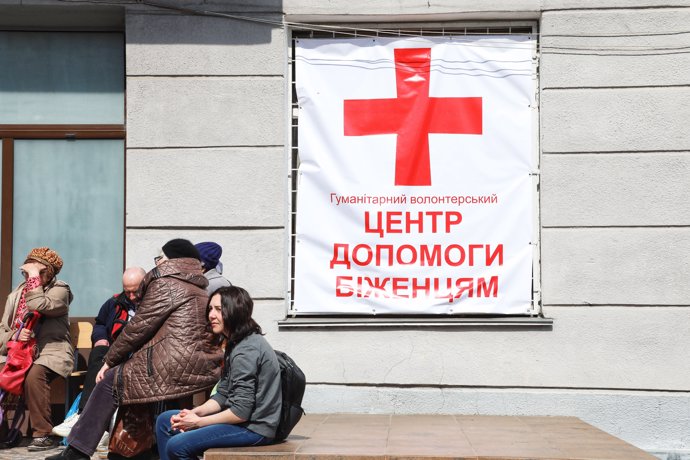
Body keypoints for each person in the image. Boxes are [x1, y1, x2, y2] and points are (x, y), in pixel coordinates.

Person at [46, 239, 223, 460]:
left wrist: (109, 361)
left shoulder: (167, 283)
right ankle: (134, 450)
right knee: (130, 379)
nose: (157, 263)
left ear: (171, 260)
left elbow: (139, 327)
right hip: (195, 363)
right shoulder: (196, 284)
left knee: (111, 381)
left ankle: (78, 451)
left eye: (161, 258)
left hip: (174, 363)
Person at [155, 286, 281, 460]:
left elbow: (240, 412)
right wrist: (196, 413)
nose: (211, 315)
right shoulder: (236, 342)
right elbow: (223, 393)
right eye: (211, 309)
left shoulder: (246, 350)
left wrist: (198, 422)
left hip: (254, 428)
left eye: (219, 310)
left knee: (177, 445)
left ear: (235, 312)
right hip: (243, 421)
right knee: (165, 420)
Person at [51, 267, 146, 438]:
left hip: (139, 354)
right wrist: (100, 337)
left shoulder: (153, 303)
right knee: (99, 351)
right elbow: (101, 323)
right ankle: (83, 415)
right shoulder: (114, 302)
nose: (131, 297)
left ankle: (93, 424)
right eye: (127, 292)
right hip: (114, 352)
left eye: (135, 292)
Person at [0, 247, 73, 452]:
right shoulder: (16, 295)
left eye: (38, 270)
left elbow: (39, 304)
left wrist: (33, 278)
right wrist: (13, 336)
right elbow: (2, 330)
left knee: (35, 375)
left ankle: (42, 434)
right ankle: (3, 432)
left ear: (48, 271)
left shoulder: (61, 290)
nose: (30, 274)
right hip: (17, 351)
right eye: (28, 270)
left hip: (50, 352)